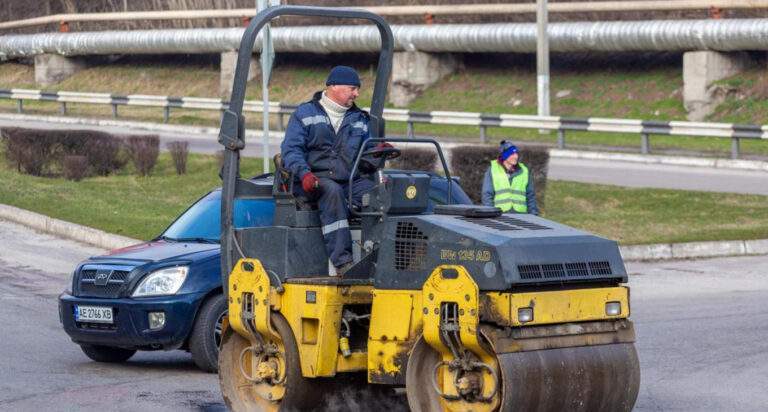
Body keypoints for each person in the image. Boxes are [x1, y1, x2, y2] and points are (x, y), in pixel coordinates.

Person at [281, 65, 384, 275]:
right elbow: (291, 151)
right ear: (333, 86)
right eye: (352, 88)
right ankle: (343, 263)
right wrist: (304, 174)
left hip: (347, 179)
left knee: (379, 196)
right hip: (313, 180)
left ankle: (380, 257)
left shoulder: (360, 120)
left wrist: (379, 151)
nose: (356, 94)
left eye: (358, 89)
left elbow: (368, 152)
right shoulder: (305, 114)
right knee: (332, 192)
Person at [481, 140, 539, 215]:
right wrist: (489, 214)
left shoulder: (524, 170)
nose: (516, 156)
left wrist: (533, 215)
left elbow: (530, 195)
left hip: (522, 216)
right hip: (500, 215)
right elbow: (487, 195)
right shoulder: (492, 170)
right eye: (512, 154)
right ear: (504, 156)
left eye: (516, 153)